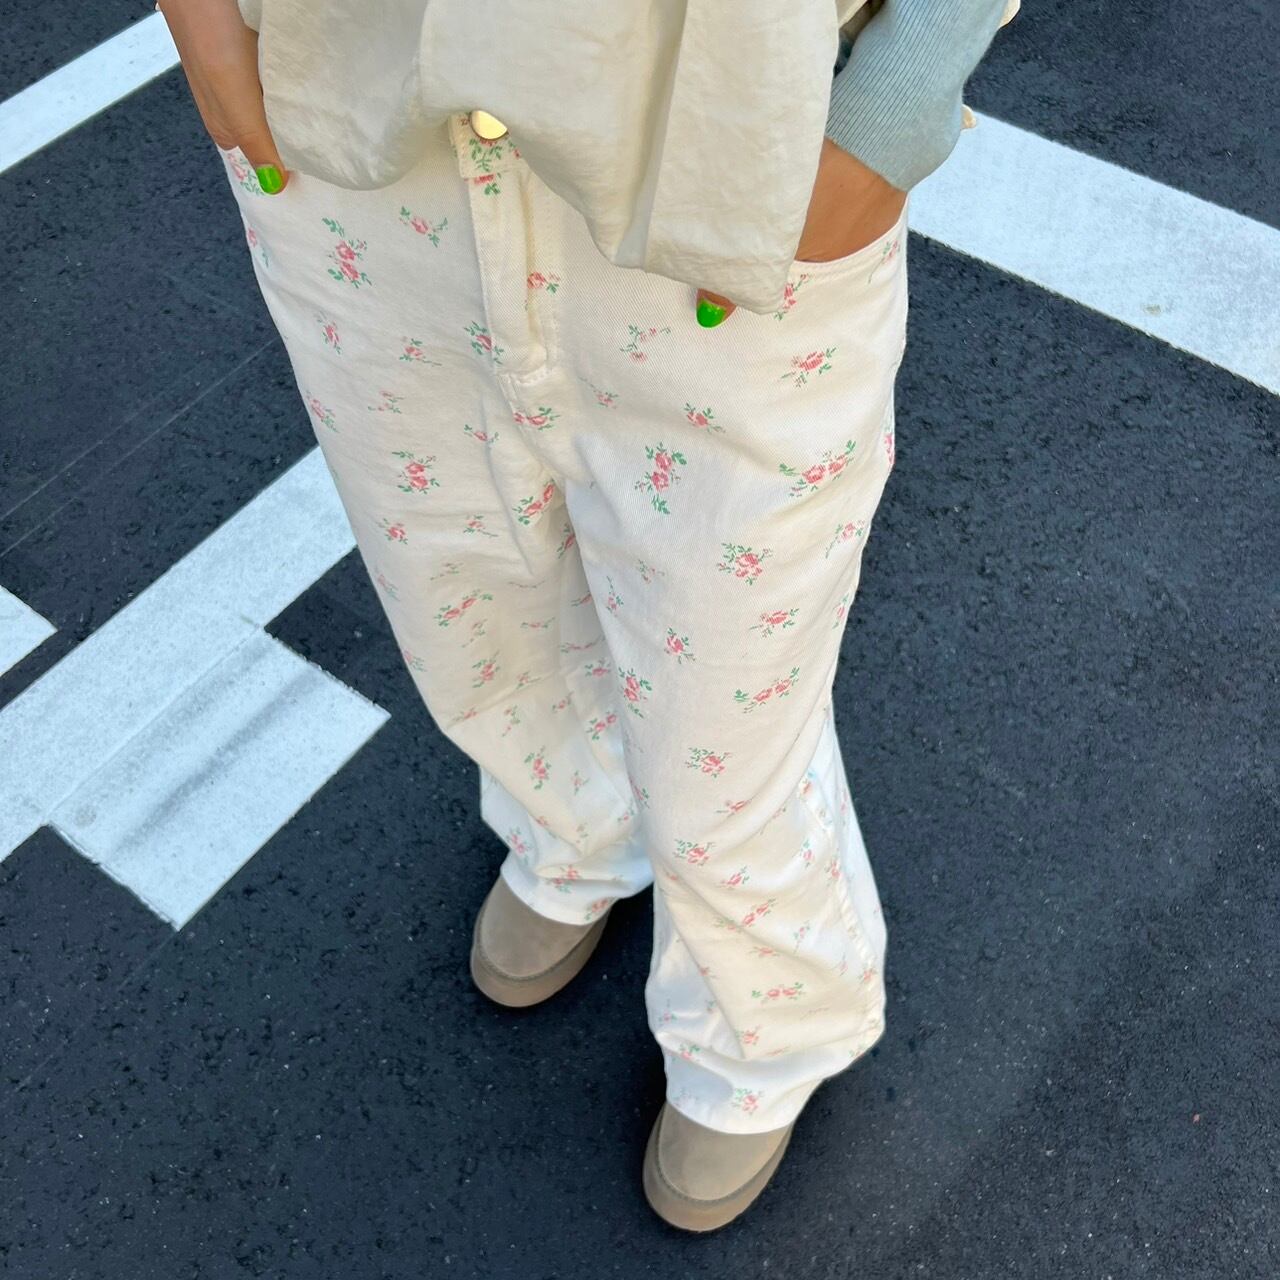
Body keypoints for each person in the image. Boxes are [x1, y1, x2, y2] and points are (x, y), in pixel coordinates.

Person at [158, 0, 1017, 1232]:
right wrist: (202, 25)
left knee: (726, 696)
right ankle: (570, 822)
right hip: (359, 134)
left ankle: (761, 1012)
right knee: (466, 603)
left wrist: (886, 113)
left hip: (727, 166)